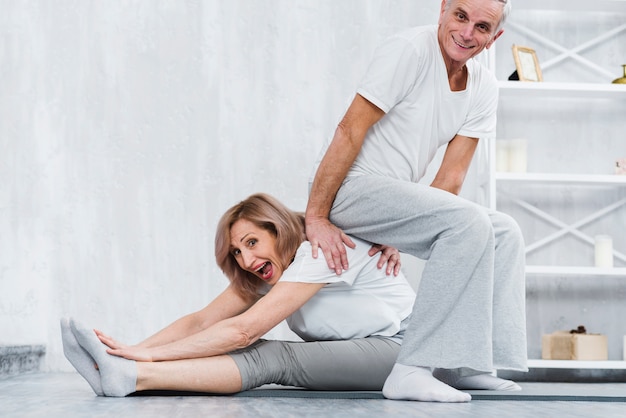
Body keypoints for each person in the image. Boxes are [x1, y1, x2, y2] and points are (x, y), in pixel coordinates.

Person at [305, 0, 527, 403]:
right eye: (460, 16)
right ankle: (411, 369)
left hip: (394, 199)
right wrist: (316, 215)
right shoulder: (411, 51)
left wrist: (406, 227)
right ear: (442, 10)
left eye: (481, 26)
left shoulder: (483, 87)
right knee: (467, 222)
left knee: (502, 231)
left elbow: (451, 177)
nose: (466, 32)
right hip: (350, 187)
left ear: (495, 37)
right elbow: (349, 130)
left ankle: (469, 363)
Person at [61, 193, 415, 397]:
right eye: (236, 252)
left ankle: (132, 378)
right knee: (260, 351)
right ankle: (122, 372)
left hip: (404, 350)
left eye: (251, 243)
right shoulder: (274, 268)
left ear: (277, 230)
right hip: (376, 347)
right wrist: (126, 352)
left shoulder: (320, 253)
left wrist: (148, 357)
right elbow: (202, 321)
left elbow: (243, 331)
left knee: (271, 356)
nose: (246, 261)